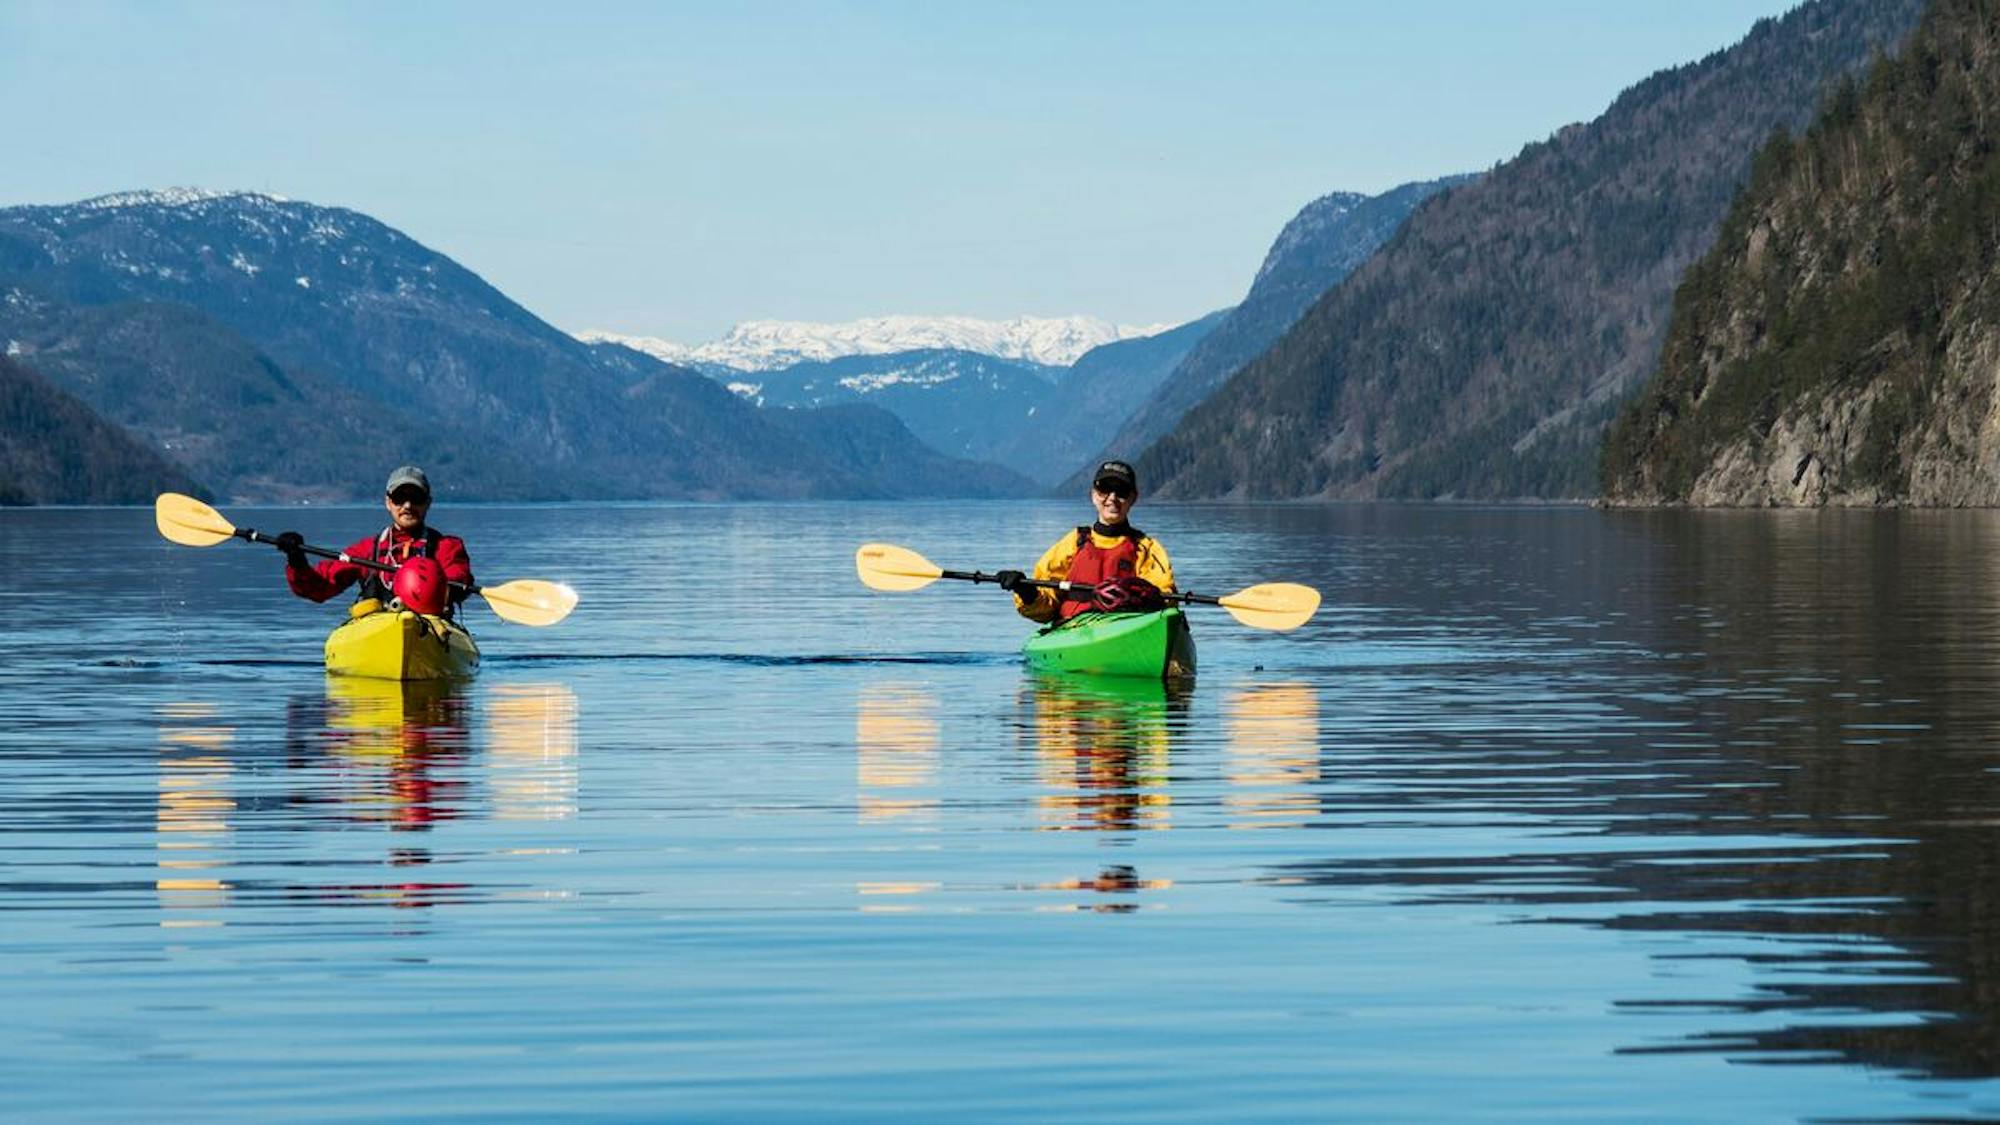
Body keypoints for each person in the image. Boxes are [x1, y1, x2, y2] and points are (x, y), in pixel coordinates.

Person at [278, 466, 474, 618]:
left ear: (428, 503)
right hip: (378, 628)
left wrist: (444, 585)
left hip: (430, 626)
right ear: (388, 502)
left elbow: (459, 576)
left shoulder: (447, 547)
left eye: (416, 498)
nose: (407, 506)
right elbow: (319, 588)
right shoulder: (366, 551)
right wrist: (297, 559)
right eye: (399, 498)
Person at [996, 459, 1175, 623]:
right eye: (1105, 489)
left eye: (1121, 491)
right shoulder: (1074, 542)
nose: (1112, 498)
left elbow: (1167, 598)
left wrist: (1145, 600)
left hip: (1125, 627)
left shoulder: (1146, 548)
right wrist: (1026, 591)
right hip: (1072, 630)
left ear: (1133, 498)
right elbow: (1045, 606)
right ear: (1093, 495)